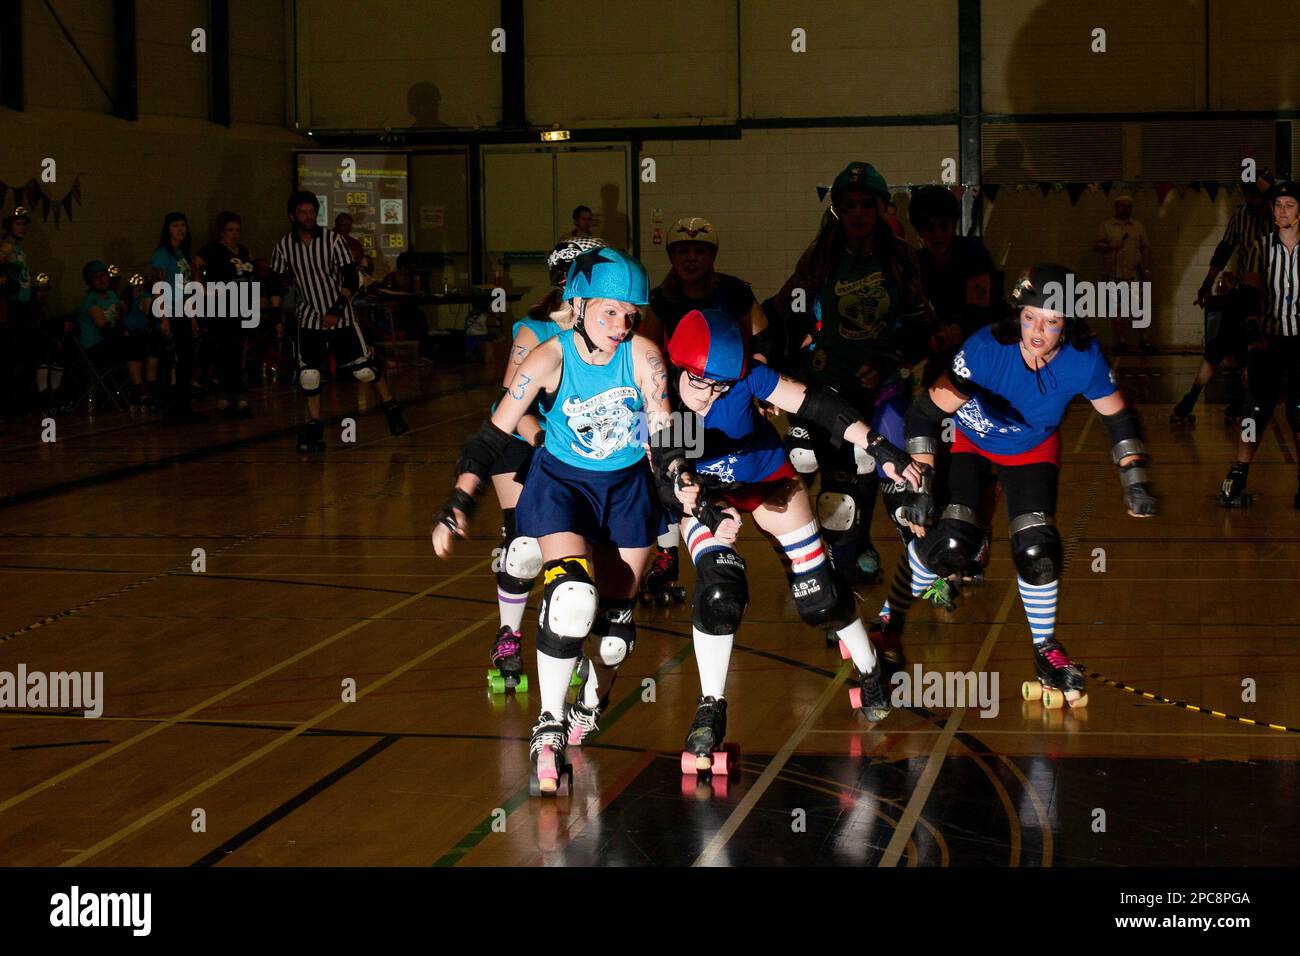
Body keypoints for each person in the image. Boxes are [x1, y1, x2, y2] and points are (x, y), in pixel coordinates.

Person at [431, 246, 669, 795]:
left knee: (611, 641)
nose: (621, 323)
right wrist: (460, 501)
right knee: (570, 600)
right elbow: (492, 435)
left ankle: (593, 699)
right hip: (562, 486)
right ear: (578, 304)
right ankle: (549, 723)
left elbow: (664, 432)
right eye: (609, 311)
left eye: (630, 313)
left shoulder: (643, 355)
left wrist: (681, 485)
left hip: (627, 490)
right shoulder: (548, 356)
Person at [658, 308, 923, 768]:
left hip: (767, 481)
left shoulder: (744, 379)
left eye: (720, 386)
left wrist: (881, 448)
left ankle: (868, 668)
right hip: (706, 496)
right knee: (720, 591)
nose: (709, 396)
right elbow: (669, 476)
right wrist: (703, 508)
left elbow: (818, 404)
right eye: (701, 383)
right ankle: (710, 706)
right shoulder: (665, 400)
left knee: (817, 596)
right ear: (680, 368)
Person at [898, 263, 1156, 709]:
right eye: (1031, 316)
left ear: (1067, 323)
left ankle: (1045, 650)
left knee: (1039, 551)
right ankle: (890, 616)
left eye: (1052, 320)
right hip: (972, 441)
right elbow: (925, 413)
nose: (1038, 330)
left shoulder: (1084, 358)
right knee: (956, 544)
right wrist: (919, 486)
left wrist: (1134, 479)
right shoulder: (984, 347)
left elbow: (1117, 417)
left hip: (1030, 448)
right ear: (1016, 312)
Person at [773, 161, 935, 589]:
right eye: (849, 205)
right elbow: (790, 309)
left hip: (883, 388)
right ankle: (841, 585)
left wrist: (888, 360)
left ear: (881, 208)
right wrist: (785, 360)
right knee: (839, 495)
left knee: (902, 480)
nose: (858, 213)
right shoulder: (822, 253)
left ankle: (927, 572)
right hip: (832, 391)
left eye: (867, 204)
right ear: (838, 210)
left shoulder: (900, 257)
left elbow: (923, 325)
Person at [481, 235, 605, 695]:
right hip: (524, 437)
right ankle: (508, 637)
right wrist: (540, 439)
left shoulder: (611, 324)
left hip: (581, 446)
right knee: (525, 545)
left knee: (576, 546)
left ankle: (567, 635)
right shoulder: (535, 328)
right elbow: (512, 393)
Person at [638, 216, 772, 606]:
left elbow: (762, 338)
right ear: (672, 256)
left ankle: (736, 536)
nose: (691, 258)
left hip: (727, 394)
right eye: (683, 251)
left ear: (712, 256)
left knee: (719, 469)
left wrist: (756, 388)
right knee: (666, 469)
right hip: (680, 398)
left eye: (699, 251)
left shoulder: (733, 291)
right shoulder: (663, 298)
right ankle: (669, 554)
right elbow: (646, 349)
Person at [270, 190, 408, 452]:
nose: (309, 217)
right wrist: (277, 318)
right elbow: (275, 284)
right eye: (303, 212)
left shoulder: (332, 240)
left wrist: (335, 308)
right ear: (292, 216)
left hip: (341, 315)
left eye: (312, 212)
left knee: (363, 370)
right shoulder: (285, 245)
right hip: (308, 317)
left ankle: (390, 406)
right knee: (309, 375)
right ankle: (313, 425)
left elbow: (350, 278)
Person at [1218, 180, 1300, 508]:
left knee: (1298, 410)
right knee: (1255, 409)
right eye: (1278, 206)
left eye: (1289, 205)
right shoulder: (1260, 246)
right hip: (1268, 339)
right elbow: (1250, 293)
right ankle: (1239, 472)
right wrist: (1252, 335)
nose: (1282, 211)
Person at [1172, 170, 1275, 425]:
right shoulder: (1241, 215)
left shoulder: (1280, 216)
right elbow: (1225, 248)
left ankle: (1247, 401)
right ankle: (1191, 398)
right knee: (1221, 346)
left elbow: (1277, 194)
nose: (1250, 200)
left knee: (1254, 352)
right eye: (1247, 195)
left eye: (1254, 196)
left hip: (1272, 294)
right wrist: (1207, 282)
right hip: (1244, 293)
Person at [195, 211, 255, 418]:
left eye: (237, 230)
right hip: (221, 308)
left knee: (238, 352)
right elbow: (195, 265)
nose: (235, 234)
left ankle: (234, 396)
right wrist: (203, 290)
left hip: (241, 307)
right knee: (225, 351)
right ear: (221, 231)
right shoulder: (213, 249)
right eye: (230, 230)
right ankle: (228, 397)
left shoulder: (243, 251)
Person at [150, 212, 205, 424]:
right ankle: (170, 409)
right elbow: (158, 286)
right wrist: (163, 317)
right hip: (169, 312)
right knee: (170, 361)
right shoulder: (162, 254)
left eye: (183, 225)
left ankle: (184, 406)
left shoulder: (181, 254)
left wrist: (191, 316)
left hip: (183, 311)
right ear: (168, 229)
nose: (180, 229)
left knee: (186, 361)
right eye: (175, 226)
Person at [1092, 196, 1153, 354]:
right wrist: (1110, 246)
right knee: (1116, 308)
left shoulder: (1138, 226)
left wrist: (1146, 268)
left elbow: (1145, 248)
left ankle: (1144, 339)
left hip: (1134, 273)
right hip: (1113, 273)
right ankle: (1121, 340)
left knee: (1138, 307)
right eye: (1122, 206)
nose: (1125, 209)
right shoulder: (1106, 226)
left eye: (1128, 206)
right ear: (1116, 207)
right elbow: (1096, 246)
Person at [1, 207, 37, 421]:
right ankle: (12, 406)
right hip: (13, 306)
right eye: (18, 224)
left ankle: (21, 403)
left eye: (24, 224)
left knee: (24, 356)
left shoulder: (17, 247)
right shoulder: (7, 246)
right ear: (9, 226)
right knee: (14, 357)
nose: (23, 228)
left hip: (23, 304)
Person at [119, 272, 163, 408]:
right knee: (137, 342)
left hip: (144, 336)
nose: (140, 292)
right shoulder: (125, 302)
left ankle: (149, 389)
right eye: (137, 289)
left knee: (149, 343)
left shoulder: (145, 299)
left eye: (142, 289)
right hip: (131, 339)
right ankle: (140, 390)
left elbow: (150, 309)